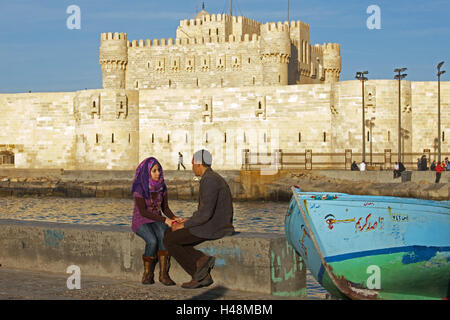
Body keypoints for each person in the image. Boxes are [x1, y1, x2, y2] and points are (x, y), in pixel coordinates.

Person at [163, 149, 235, 289]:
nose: (192, 167)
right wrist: (187, 220)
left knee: (169, 240)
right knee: (169, 233)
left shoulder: (209, 180)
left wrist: (184, 226)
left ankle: (200, 274)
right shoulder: (211, 177)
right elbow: (204, 211)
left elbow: (205, 214)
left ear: (198, 163)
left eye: (192, 164)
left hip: (214, 227)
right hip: (212, 223)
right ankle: (200, 260)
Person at [131, 157, 183, 286]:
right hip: (141, 220)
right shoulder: (139, 187)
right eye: (154, 171)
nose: (158, 173)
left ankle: (163, 275)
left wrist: (174, 218)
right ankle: (148, 274)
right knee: (152, 241)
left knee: (163, 236)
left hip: (156, 218)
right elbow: (143, 211)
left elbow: (165, 208)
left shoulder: (162, 186)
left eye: (158, 170)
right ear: (147, 172)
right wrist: (165, 220)